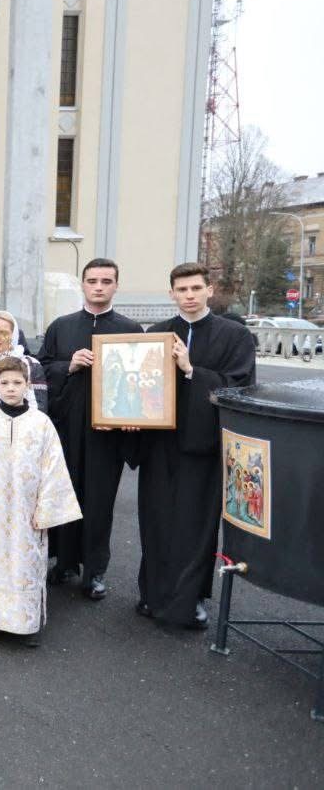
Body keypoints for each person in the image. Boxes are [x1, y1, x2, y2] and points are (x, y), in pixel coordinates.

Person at [137, 262, 255, 628]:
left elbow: (239, 387)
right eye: (181, 290)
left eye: (195, 289)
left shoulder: (234, 336)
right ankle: (152, 594)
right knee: (155, 520)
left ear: (209, 289)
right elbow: (138, 384)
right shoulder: (157, 332)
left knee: (195, 524)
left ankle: (191, 600)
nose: (188, 296)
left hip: (204, 445)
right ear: (171, 293)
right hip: (159, 442)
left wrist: (192, 370)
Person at [0, 356, 82, 647]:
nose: (11, 388)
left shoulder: (41, 423)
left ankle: (27, 623)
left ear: (27, 385)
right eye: (4, 383)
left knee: (26, 562)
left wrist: (45, 509)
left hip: (28, 509)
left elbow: (54, 469)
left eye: (17, 382)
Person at [39, 258, 144, 598]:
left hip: (107, 433)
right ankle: (65, 562)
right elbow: (41, 371)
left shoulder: (131, 329)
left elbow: (142, 381)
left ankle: (95, 571)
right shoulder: (61, 326)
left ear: (116, 285)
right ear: (83, 284)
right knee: (63, 495)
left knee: (99, 501)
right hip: (67, 428)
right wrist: (68, 364)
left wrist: (134, 417)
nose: (99, 286)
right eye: (93, 280)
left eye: (106, 281)